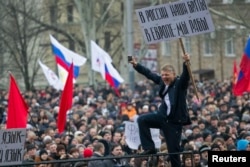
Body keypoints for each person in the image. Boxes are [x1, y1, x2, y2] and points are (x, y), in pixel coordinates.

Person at [129, 53, 191, 167]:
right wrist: (136, 65)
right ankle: (150, 148)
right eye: (162, 75)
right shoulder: (162, 82)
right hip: (162, 117)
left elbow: (186, 76)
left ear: (173, 74)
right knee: (142, 120)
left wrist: (186, 63)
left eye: (167, 75)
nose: (164, 77)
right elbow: (149, 74)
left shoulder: (179, 84)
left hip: (173, 122)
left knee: (173, 152)